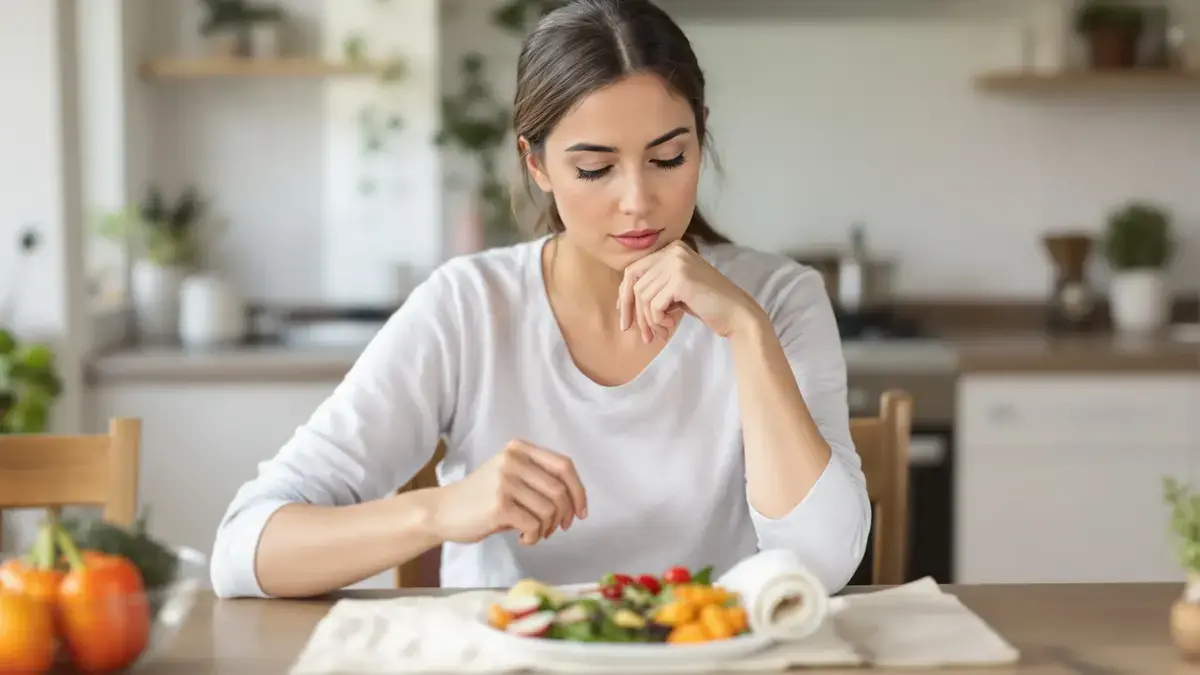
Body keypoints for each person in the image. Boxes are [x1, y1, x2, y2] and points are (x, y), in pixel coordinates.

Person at [210, 0, 870, 600]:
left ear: (701, 135)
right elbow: (243, 549)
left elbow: (822, 562)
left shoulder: (780, 298)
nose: (637, 201)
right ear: (536, 164)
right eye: (595, 168)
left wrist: (748, 331)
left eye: (668, 158)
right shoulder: (468, 308)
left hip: (714, 657)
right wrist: (439, 511)